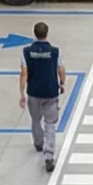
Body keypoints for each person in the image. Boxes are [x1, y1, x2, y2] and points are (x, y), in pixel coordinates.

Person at [20, 22, 65, 171]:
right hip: (51, 92)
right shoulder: (55, 51)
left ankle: (38, 143)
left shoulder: (26, 52)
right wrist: (62, 83)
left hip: (33, 92)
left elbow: (24, 73)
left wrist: (21, 93)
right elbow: (61, 69)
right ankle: (49, 156)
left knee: (35, 119)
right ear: (47, 33)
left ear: (35, 33)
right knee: (50, 124)